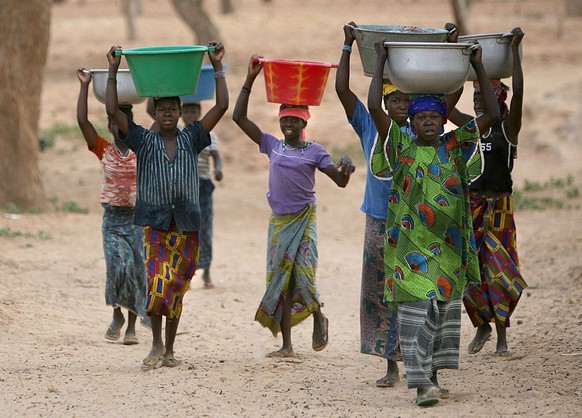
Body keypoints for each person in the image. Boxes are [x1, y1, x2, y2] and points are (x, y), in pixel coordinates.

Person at [368, 38, 499, 406]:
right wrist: (380, 61)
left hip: (448, 250)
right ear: (411, 122)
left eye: (434, 117)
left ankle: (433, 377)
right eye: (421, 117)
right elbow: (373, 107)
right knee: (415, 313)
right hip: (410, 249)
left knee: (441, 316)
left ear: (443, 121)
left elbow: (491, 114)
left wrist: (477, 66)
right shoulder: (401, 146)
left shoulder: (455, 145)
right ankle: (421, 381)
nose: (428, 122)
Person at [105, 41, 228, 370]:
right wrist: (114, 70)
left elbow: (222, 106)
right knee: (157, 284)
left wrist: (217, 66)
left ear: (179, 111)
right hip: (156, 225)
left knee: (175, 290)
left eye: (174, 109)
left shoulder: (193, 138)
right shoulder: (143, 140)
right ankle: (156, 343)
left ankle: (170, 349)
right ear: (155, 114)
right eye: (163, 110)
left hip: (187, 224)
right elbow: (114, 111)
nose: (169, 113)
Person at [232, 55, 355, 358]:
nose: (288, 124)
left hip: (304, 221)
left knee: (305, 276)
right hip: (279, 223)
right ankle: (286, 345)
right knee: (281, 282)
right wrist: (249, 80)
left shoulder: (316, 151)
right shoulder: (272, 145)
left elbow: (338, 181)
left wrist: (347, 170)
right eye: (284, 119)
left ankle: (318, 317)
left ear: (304, 123)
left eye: (294, 120)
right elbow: (239, 118)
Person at [335, 21, 408, 388]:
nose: (398, 105)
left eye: (404, 100)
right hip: (378, 220)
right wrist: (348, 47)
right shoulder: (369, 126)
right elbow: (342, 89)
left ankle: (414, 358)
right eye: (392, 99)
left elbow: (450, 96)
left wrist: (451, 47)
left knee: (409, 289)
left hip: (411, 224)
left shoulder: (418, 130)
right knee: (380, 292)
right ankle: (390, 364)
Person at [448, 27, 527, 356]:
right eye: (476, 96)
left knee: (499, 272)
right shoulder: (469, 126)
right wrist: (453, 53)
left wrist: (517, 51)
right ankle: (481, 325)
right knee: (469, 271)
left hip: (499, 208)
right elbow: (447, 110)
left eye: (485, 96)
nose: (479, 100)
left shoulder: (508, 128)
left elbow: (520, 91)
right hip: (472, 206)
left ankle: (502, 337)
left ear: (499, 100)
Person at [76, 68, 149, 346]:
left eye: (127, 122)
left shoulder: (143, 149)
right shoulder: (102, 148)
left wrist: (155, 85)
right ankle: (117, 314)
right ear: (110, 125)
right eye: (117, 122)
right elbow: (82, 119)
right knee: (118, 268)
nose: (121, 127)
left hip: (137, 219)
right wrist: (84, 86)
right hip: (113, 221)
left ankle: (130, 327)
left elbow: (157, 116)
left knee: (137, 271)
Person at [146, 98, 223, 289]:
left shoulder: (208, 134)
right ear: (181, 113)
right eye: (186, 112)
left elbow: (216, 156)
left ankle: (205, 270)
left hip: (202, 186)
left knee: (204, 228)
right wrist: (153, 92)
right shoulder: (175, 132)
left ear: (199, 114)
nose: (190, 115)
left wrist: (218, 169)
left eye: (193, 112)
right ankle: (181, 270)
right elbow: (151, 112)